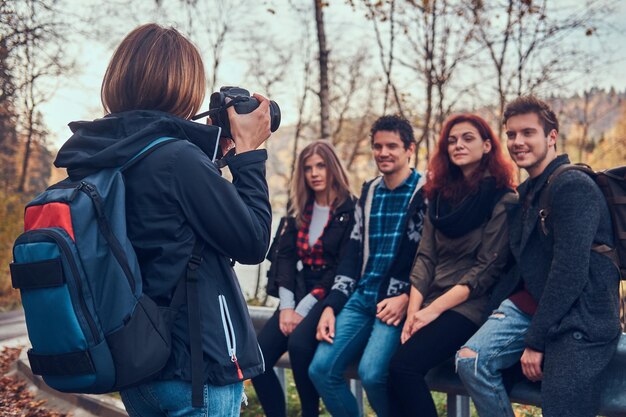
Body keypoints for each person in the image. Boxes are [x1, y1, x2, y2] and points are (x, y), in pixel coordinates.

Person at [54, 24, 272, 417]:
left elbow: (171, 229)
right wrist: (250, 154)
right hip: (196, 371)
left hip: (141, 368)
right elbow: (253, 240)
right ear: (183, 86)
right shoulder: (177, 160)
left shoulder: (102, 156)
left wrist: (212, 159)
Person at [456, 96, 621, 417]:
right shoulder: (528, 191)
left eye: (528, 133)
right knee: (471, 360)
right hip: (543, 307)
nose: (518, 142)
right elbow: (519, 268)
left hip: (583, 318)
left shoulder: (572, 185)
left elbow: (569, 272)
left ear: (551, 136)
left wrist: (535, 341)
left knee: (559, 405)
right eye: (512, 134)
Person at [386, 114, 517, 417]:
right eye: (452, 140)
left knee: (403, 368)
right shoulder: (439, 197)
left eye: (467, 138)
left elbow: (486, 270)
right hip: (430, 298)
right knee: (391, 378)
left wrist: (431, 312)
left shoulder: (503, 199)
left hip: (469, 305)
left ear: (487, 146)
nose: (458, 145)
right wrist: (414, 311)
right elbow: (425, 256)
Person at [308, 115, 427, 417]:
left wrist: (407, 297)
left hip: (397, 302)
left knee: (372, 373)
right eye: (377, 146)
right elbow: (352, 253)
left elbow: (432, 259)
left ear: (409, 149)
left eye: (391, 146)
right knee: (321, 370)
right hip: (361, 297)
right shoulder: (369, 192)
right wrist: (331, 306)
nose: (383, 153)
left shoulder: (426, 193)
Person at [251, 140, 355, 417]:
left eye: (321, 166)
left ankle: (311, 412)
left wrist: (302, 309)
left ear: (332, 168)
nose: (315, 173)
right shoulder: (299, 209)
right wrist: (286, 307)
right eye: (308, 168)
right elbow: (283, 257)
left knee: (298, 344)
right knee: (258, 359)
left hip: (328, 292)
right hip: (295, 290)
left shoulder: (349, 211)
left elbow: (342, 266)